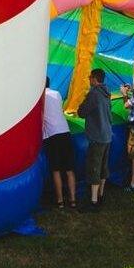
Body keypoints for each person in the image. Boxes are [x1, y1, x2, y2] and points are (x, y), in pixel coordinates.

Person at [80, 68, 114, 207]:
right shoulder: (106, 92)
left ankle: (93, 201)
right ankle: (101, 195)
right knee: (103, 167)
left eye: (90, 78)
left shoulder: (94, 94)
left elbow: (82, 112)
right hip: (107, 135)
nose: (88, 80)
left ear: (94, 79)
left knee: (94, 167)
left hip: (97, 136)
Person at [41, 79, 76, 209]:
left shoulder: (40, 97)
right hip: (65, 132)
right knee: (69, 169)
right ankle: (73, 200)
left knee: (56, 170)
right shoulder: (57, 94)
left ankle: (60, 201)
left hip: (52, 135)